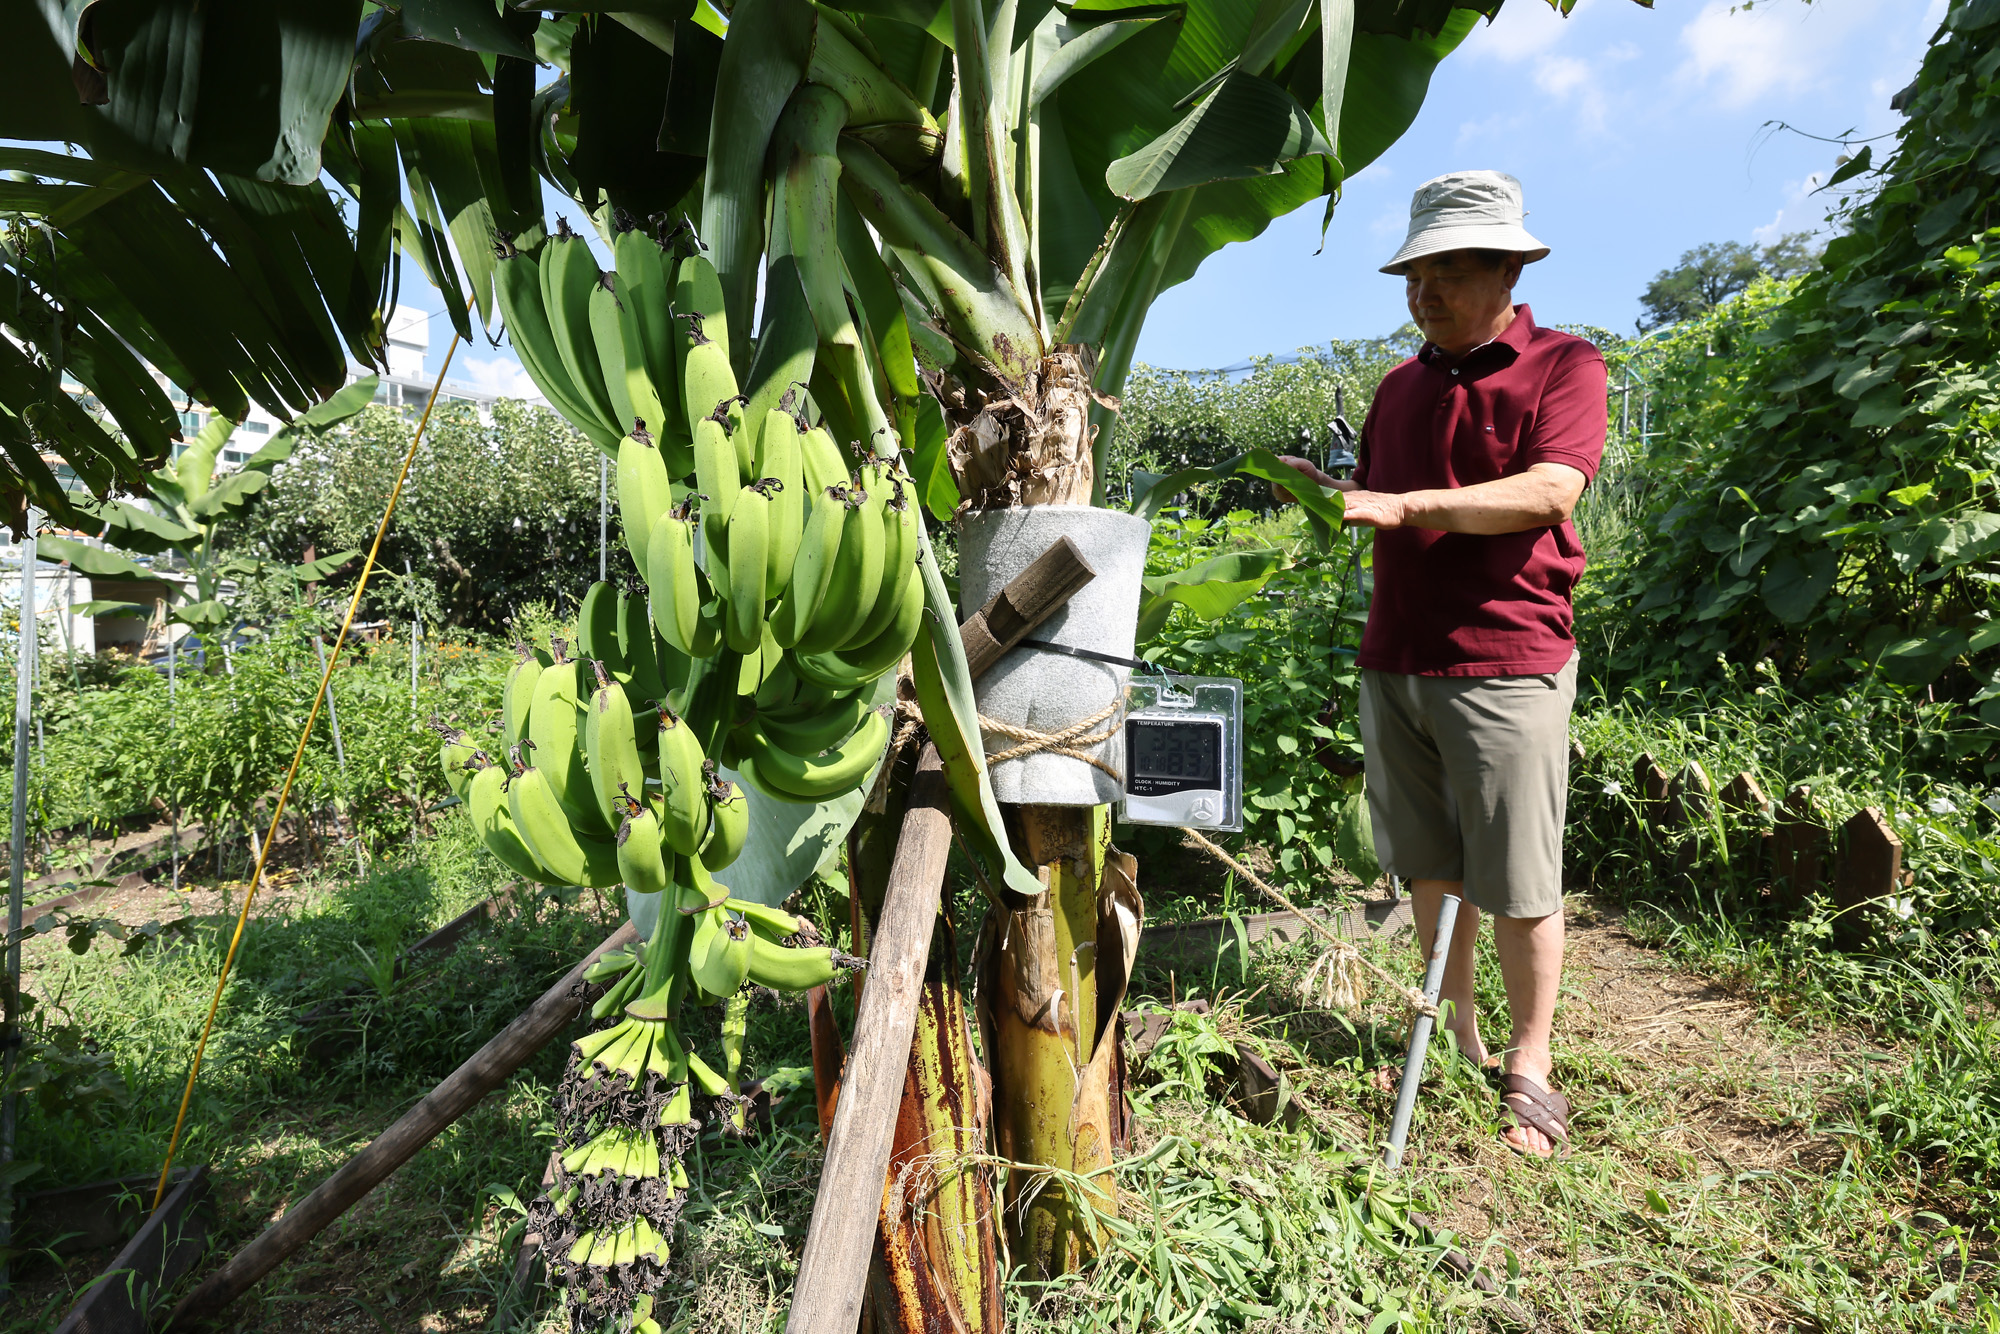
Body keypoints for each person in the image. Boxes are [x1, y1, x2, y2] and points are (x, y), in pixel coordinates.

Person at [1277, 170, 1606, 1157]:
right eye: (1414, 274)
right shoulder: (1398, 385)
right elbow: (1373, 497)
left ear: (1507, 266)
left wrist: (1404, 503)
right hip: (1398, 657)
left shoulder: (1562, 364)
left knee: (1516, 876)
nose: (1424, 292)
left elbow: (1549, 491)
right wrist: (1317, 489)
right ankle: (1449, 1026)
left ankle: (1529, 1060)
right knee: (1428, 866)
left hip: (1507, 659)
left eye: (1447, 271)